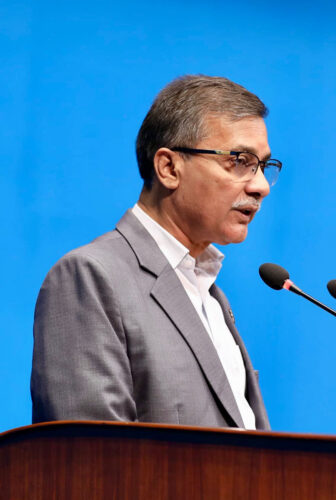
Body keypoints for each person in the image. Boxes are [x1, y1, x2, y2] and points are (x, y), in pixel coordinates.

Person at [31, 75, 282, 430]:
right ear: (168, 168)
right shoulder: (91, 277)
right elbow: (91, 455)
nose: (260, 186)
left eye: (263, 166)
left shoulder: (208, 293)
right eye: (240, 161)